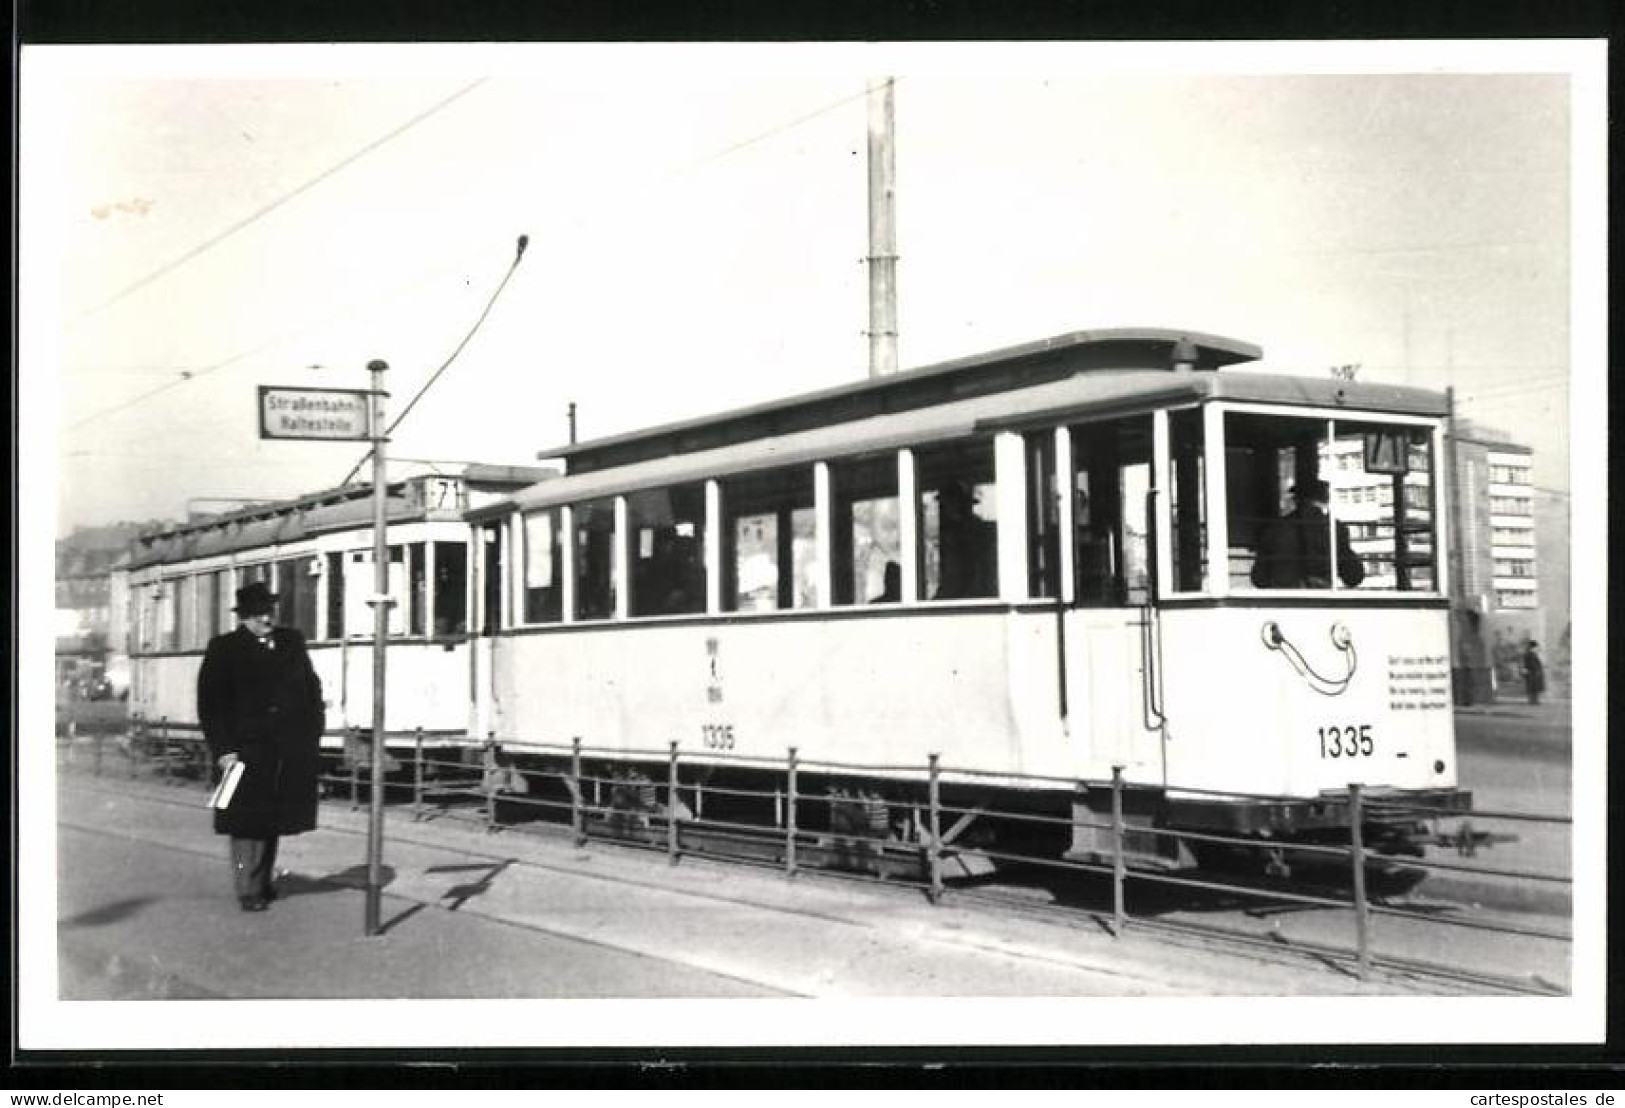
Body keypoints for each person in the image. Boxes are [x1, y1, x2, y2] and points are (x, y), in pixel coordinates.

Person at [196, 581, 326, 911]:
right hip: (242, 752)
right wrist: (223, 749)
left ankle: (264, 882)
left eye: (268, 612)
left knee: (272, 821)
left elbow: (311, 690)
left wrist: (311, 735)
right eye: (258, 614)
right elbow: (212, 704)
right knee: (245, 825)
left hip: (283, 751)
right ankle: (248, 890)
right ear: (244, 617)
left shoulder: (291, 642)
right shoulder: (223, 648)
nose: (266, 619)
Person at [1250, 478, 1365, 590]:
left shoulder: (1275, 529)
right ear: (1324, 500)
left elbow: (1259, 579)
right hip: (1319, 600)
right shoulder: (1334, 529)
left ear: (1296, 500)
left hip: (1283, 600)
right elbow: (1353, 577)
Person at [1521, 640, 1546, 706]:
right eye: (1536, 647)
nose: (1538, 648)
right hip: (1532, 674)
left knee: (1534, 688)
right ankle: (1533, 701)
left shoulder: (1532, 654)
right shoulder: (1530, 654)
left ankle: (1534, 700)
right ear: (1533, 647)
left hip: (1534, 674)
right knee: (1533, 688)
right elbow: (1531, 664)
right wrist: (1537, 669)